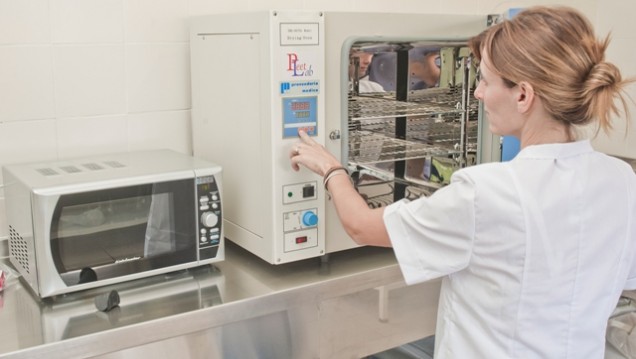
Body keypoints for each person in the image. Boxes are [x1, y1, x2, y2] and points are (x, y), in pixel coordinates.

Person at [288, 6, 636, 358]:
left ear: (523, 95)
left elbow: (361, 227)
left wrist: (331, 168)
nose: (478, 94)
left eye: (485, 80)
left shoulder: (487, 193)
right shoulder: (622, 179)